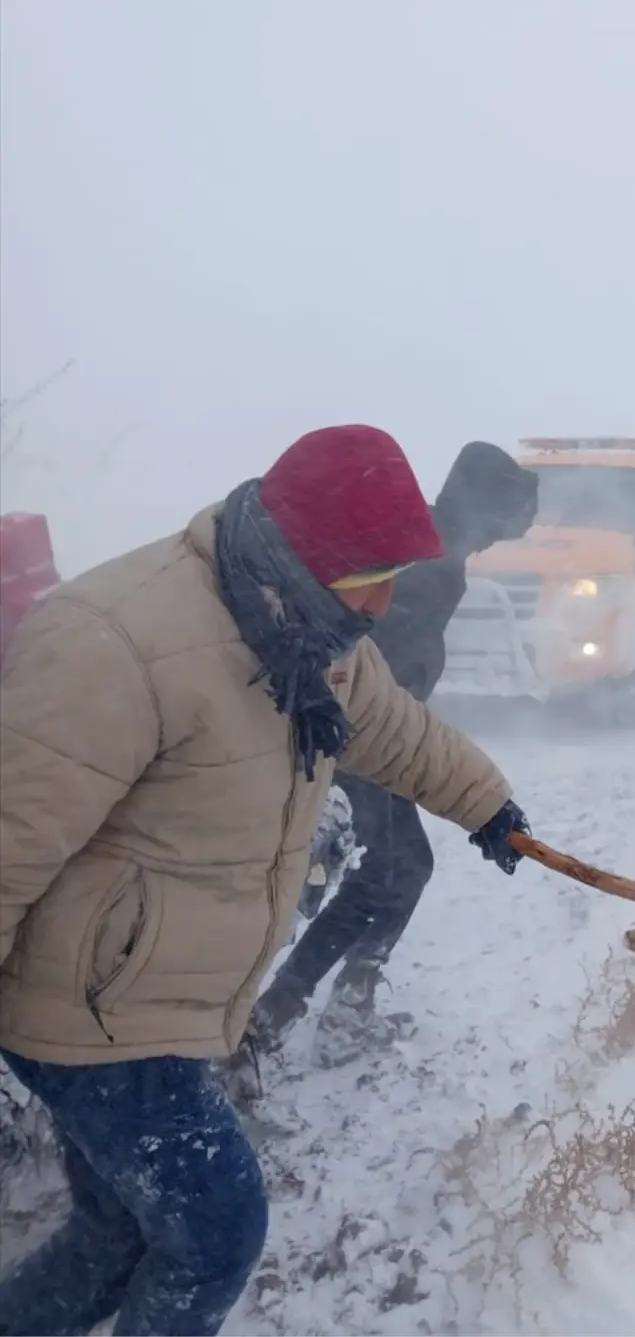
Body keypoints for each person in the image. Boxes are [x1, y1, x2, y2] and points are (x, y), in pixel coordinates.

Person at [0, 425, 530, 1337]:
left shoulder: (307, 625)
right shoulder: (118, 642)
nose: (388, 599)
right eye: (374, 574)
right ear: (312, 552)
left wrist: (487, 803)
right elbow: (9, 840)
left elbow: (393, 730)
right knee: (215, 1234)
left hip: (153, 992)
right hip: (92, 1008)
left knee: (116, 1231)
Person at [246, 441, 538, 1066]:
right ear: (485, 511)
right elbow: (376, 658)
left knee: (389, 869)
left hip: (351, 733)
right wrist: (387, 739)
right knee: (391, 869)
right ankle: (296, 1015)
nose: (498, 540)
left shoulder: (437, 544)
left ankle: (294, 1011)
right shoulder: (432, 561)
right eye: (502, 523)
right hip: (352, 738)